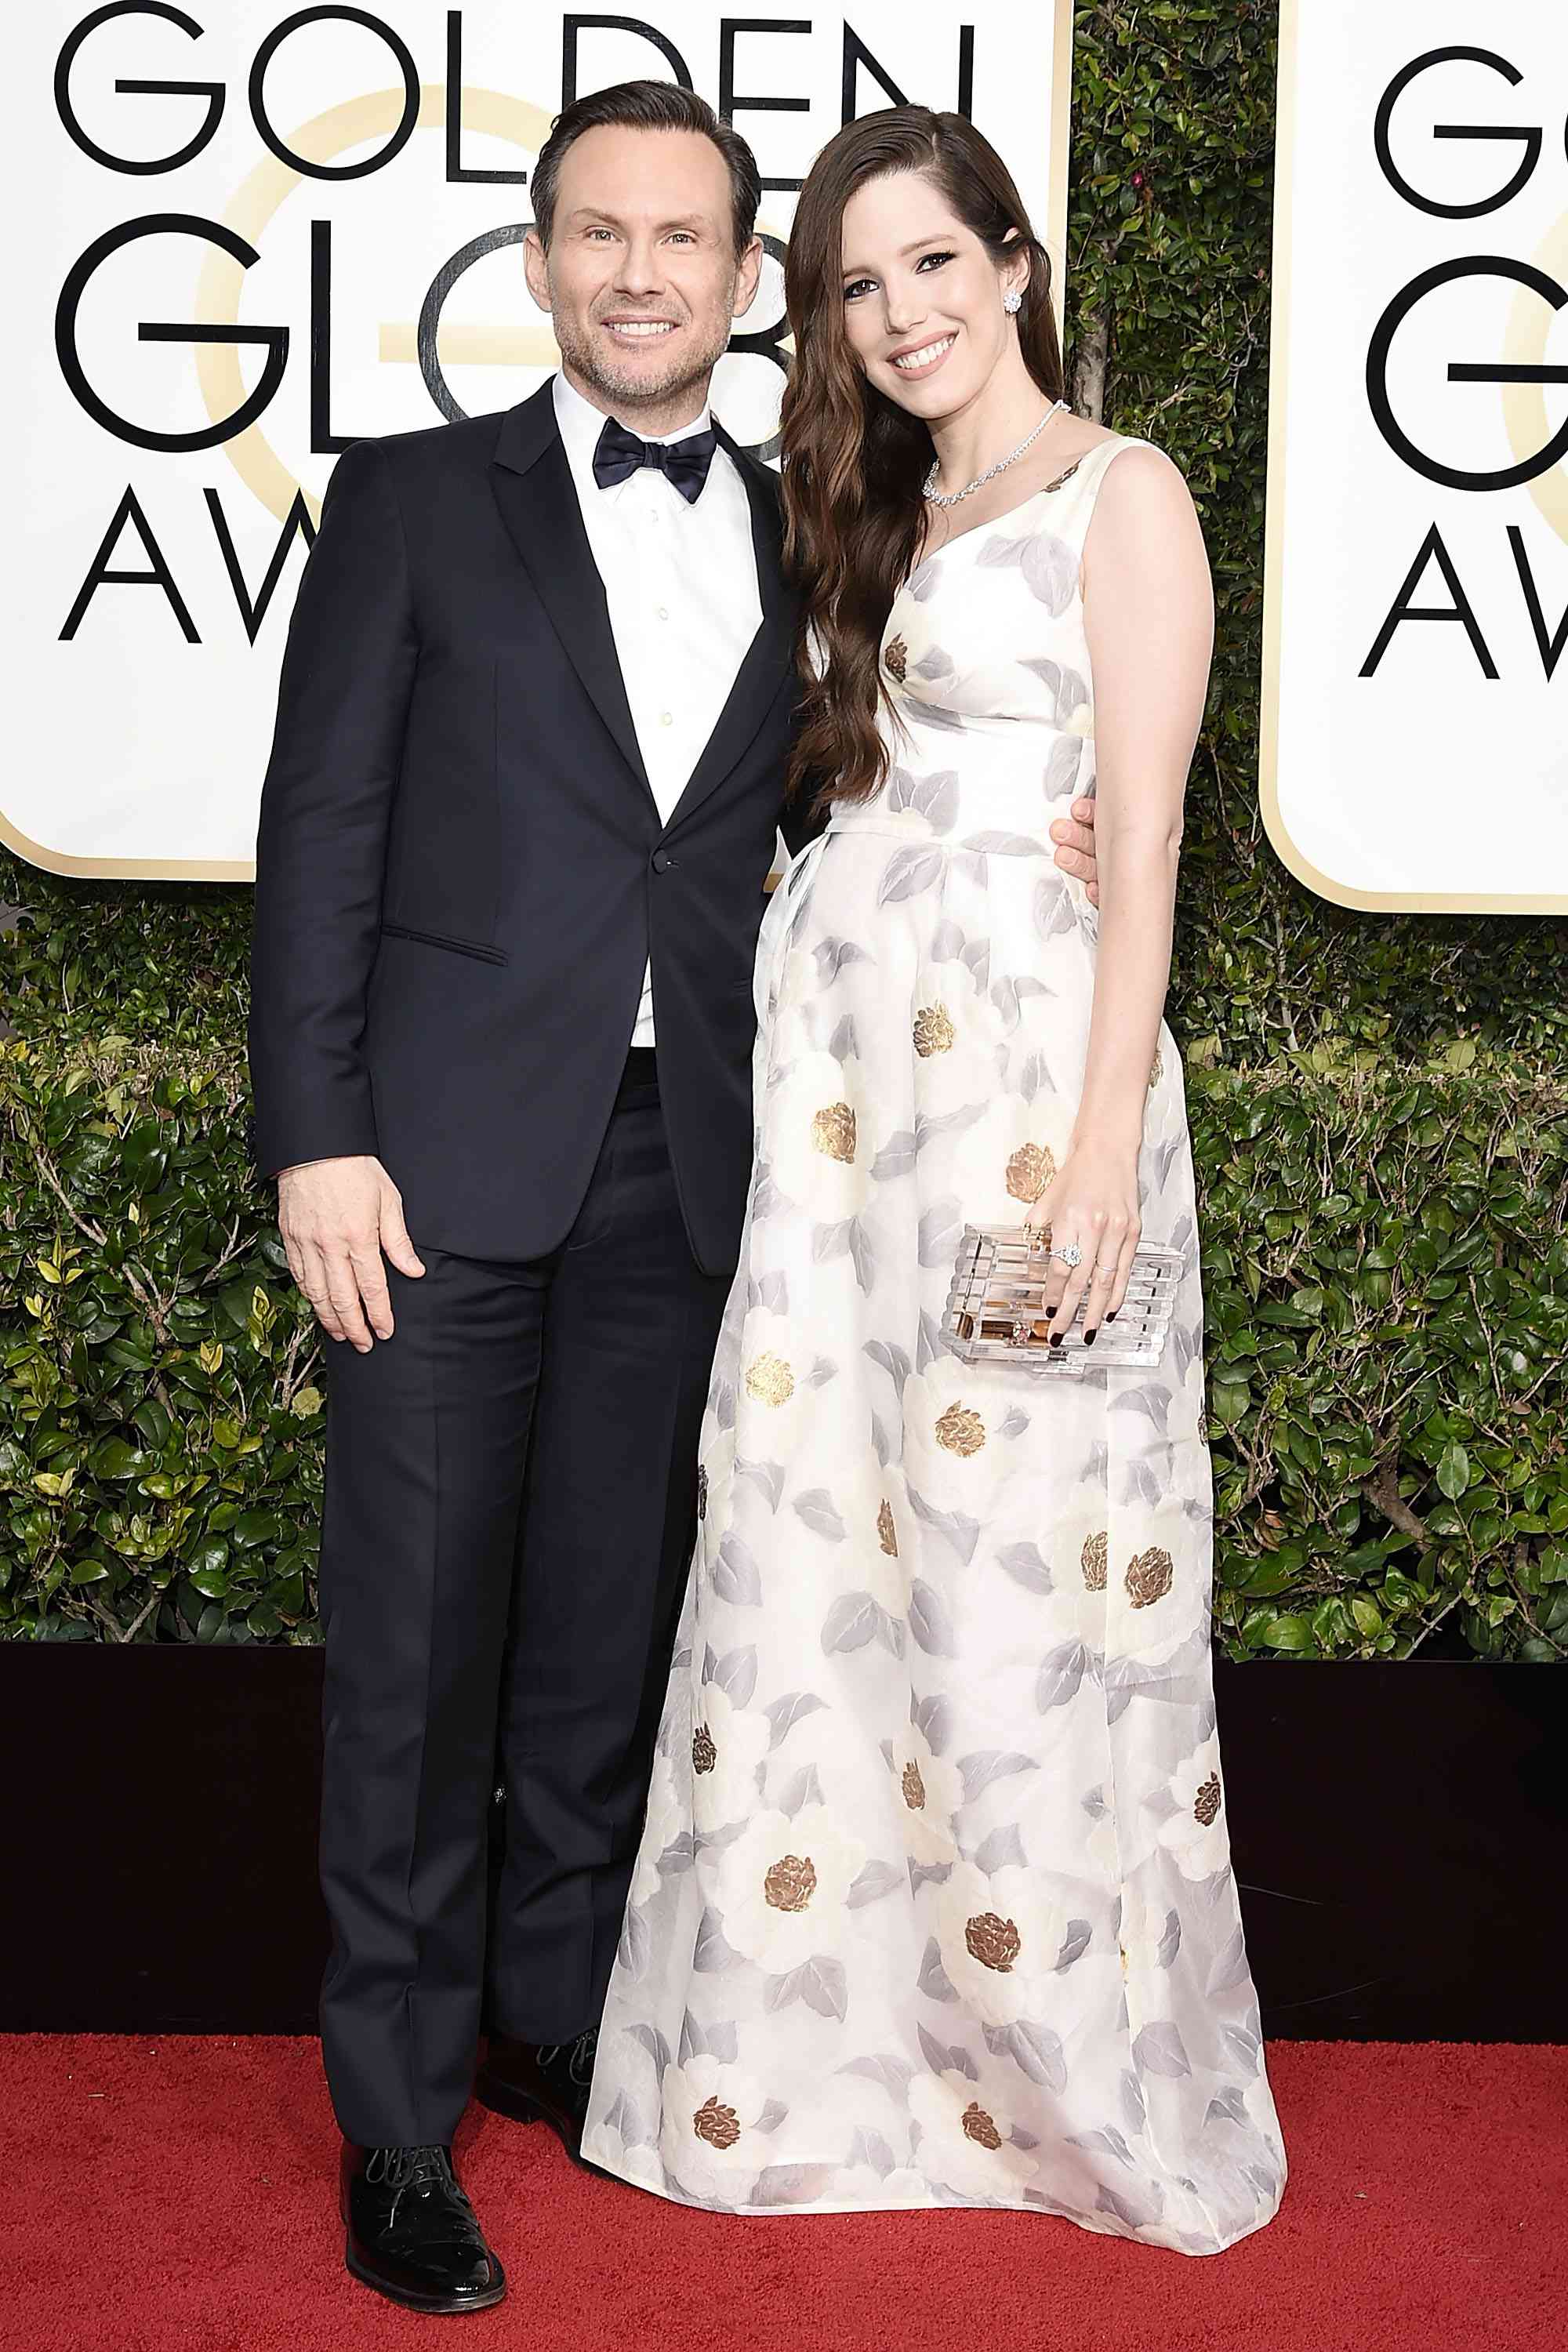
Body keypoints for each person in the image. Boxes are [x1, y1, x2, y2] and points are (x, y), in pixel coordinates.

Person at [248, 78, 1107, 2311]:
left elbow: (894, 788)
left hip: (704, 1171)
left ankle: (550, 2024)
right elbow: (322, 825)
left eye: (687, 240)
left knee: (601, 1649)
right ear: (537, 266)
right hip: (430, 1172)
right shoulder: (416, 502)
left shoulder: (821, 528)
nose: (641, 271)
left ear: (746, 285)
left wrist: (1066, 843)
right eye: (598, 234)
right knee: (417, 1663)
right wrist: (311, 1134)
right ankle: (396, 2126)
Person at [581, 105, 1288, 2255]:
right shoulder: (876, 504)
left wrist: (1095, 1153)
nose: (898, 313)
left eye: (928, 263)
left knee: (1025, 1563)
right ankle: (833, 2057)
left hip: (1015, 1098)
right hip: (842, 1126)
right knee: (833, 1562)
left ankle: (1066, 2077)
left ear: (1010, 255)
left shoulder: (1122, 492)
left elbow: (1144, 835)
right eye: (855, 285)